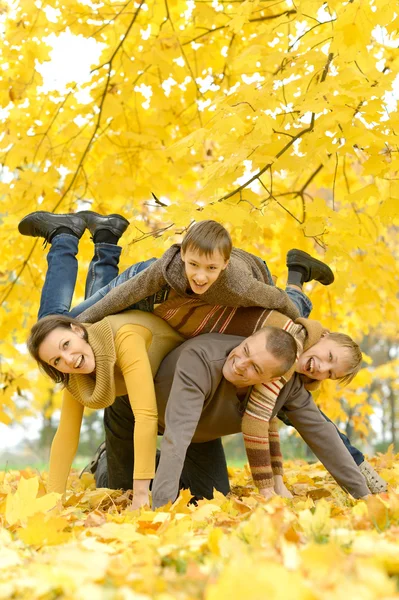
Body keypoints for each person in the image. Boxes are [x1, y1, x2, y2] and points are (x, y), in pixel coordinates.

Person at [22, 211, 184, 508]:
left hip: (155, 312)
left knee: (48, 323)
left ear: (76, 332)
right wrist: (54, 502)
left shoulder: (124, 339)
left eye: (67, 345)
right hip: (104, 327)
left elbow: (145, 417)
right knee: (52, 329)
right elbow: (66, 434)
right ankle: (103, 238)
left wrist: (141, 495)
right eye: (57, 362)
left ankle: (65, 237)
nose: (68, 361)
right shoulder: (78, 362)